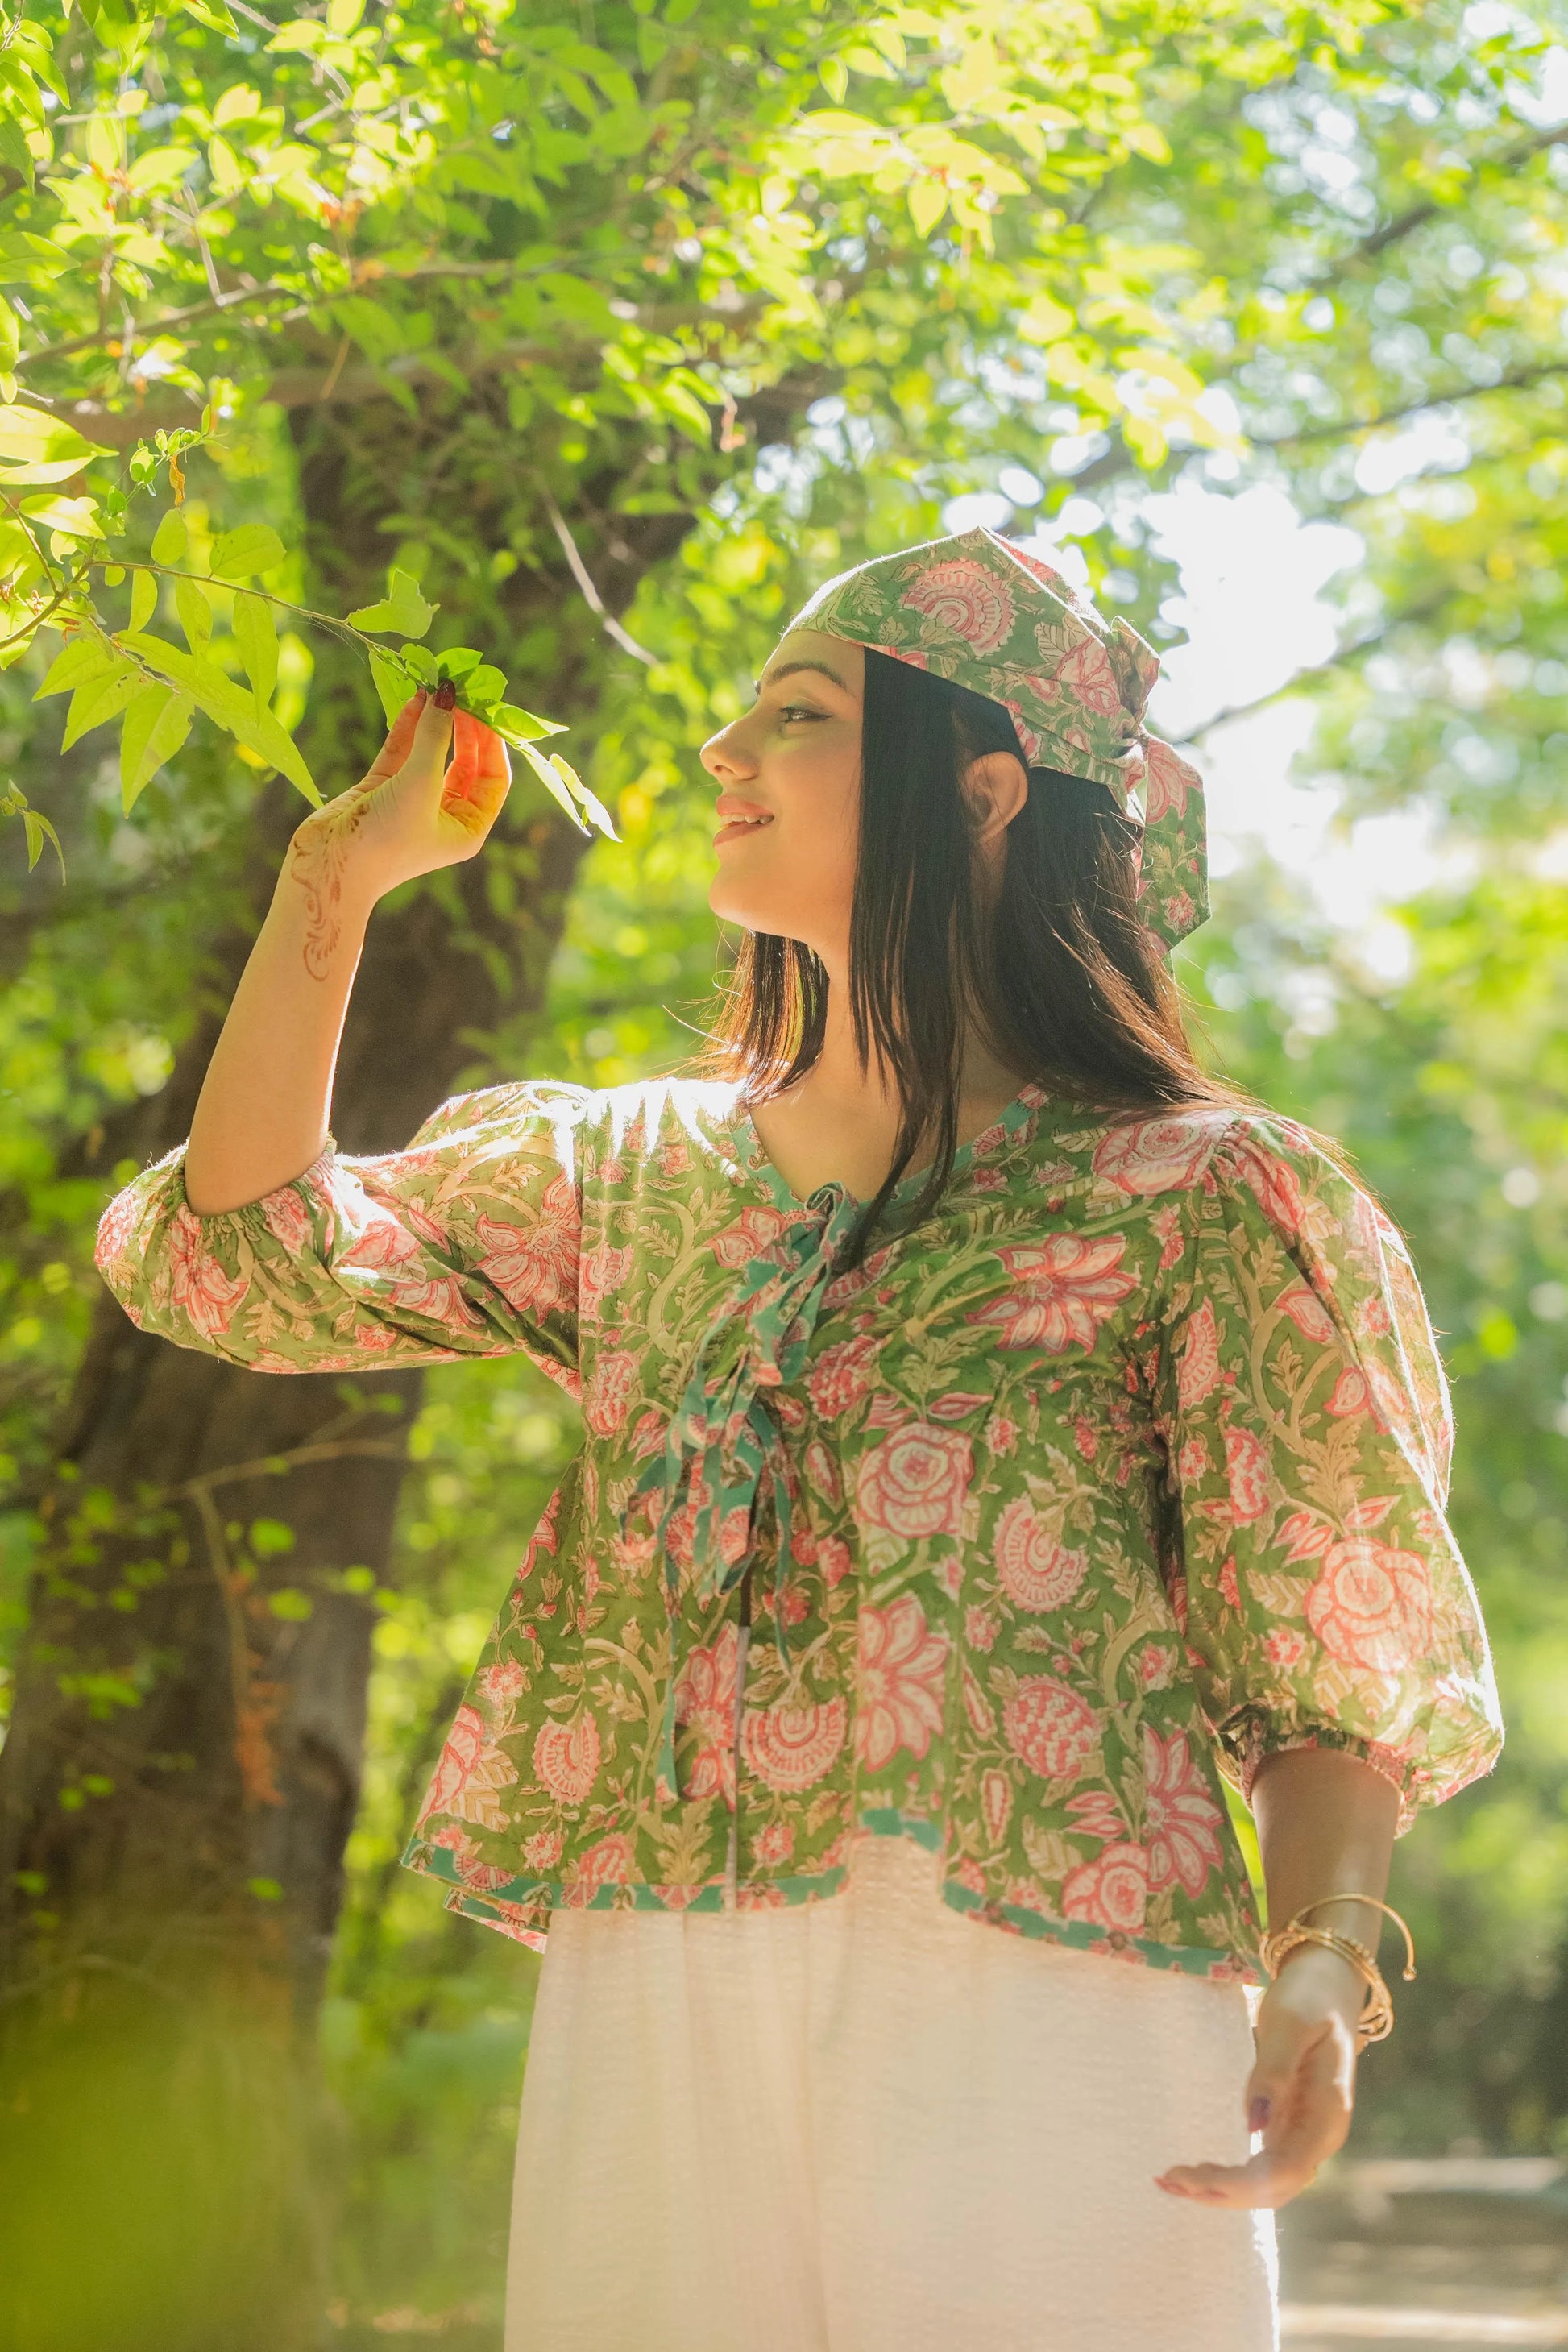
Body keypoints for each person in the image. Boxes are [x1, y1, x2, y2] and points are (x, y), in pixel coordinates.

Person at [97, 529, 1502, 2351]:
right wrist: (333, 886)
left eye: (800, 712)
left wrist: (1321, 1962)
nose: (719, 753)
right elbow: (237, 1258)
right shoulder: (626, 1174)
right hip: (655, 1976)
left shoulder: (1205, 1197)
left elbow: (1330, 1675)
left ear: (983, 788)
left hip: (1050, 1994)